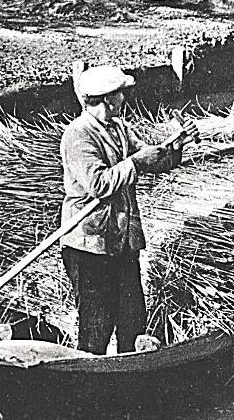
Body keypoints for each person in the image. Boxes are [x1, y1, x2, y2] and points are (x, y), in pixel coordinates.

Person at [59, 66, 198, 355]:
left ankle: (130, 379)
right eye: (120, 93)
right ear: (108, 99)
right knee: (97, 325)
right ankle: (90, 384)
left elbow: (152, 160)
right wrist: (135, 162)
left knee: (132, 319)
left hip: (122, 241)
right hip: (90, 244)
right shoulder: (78, 135)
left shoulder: (120, 129)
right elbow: (98, 183)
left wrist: (174, 147)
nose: (124, 98)